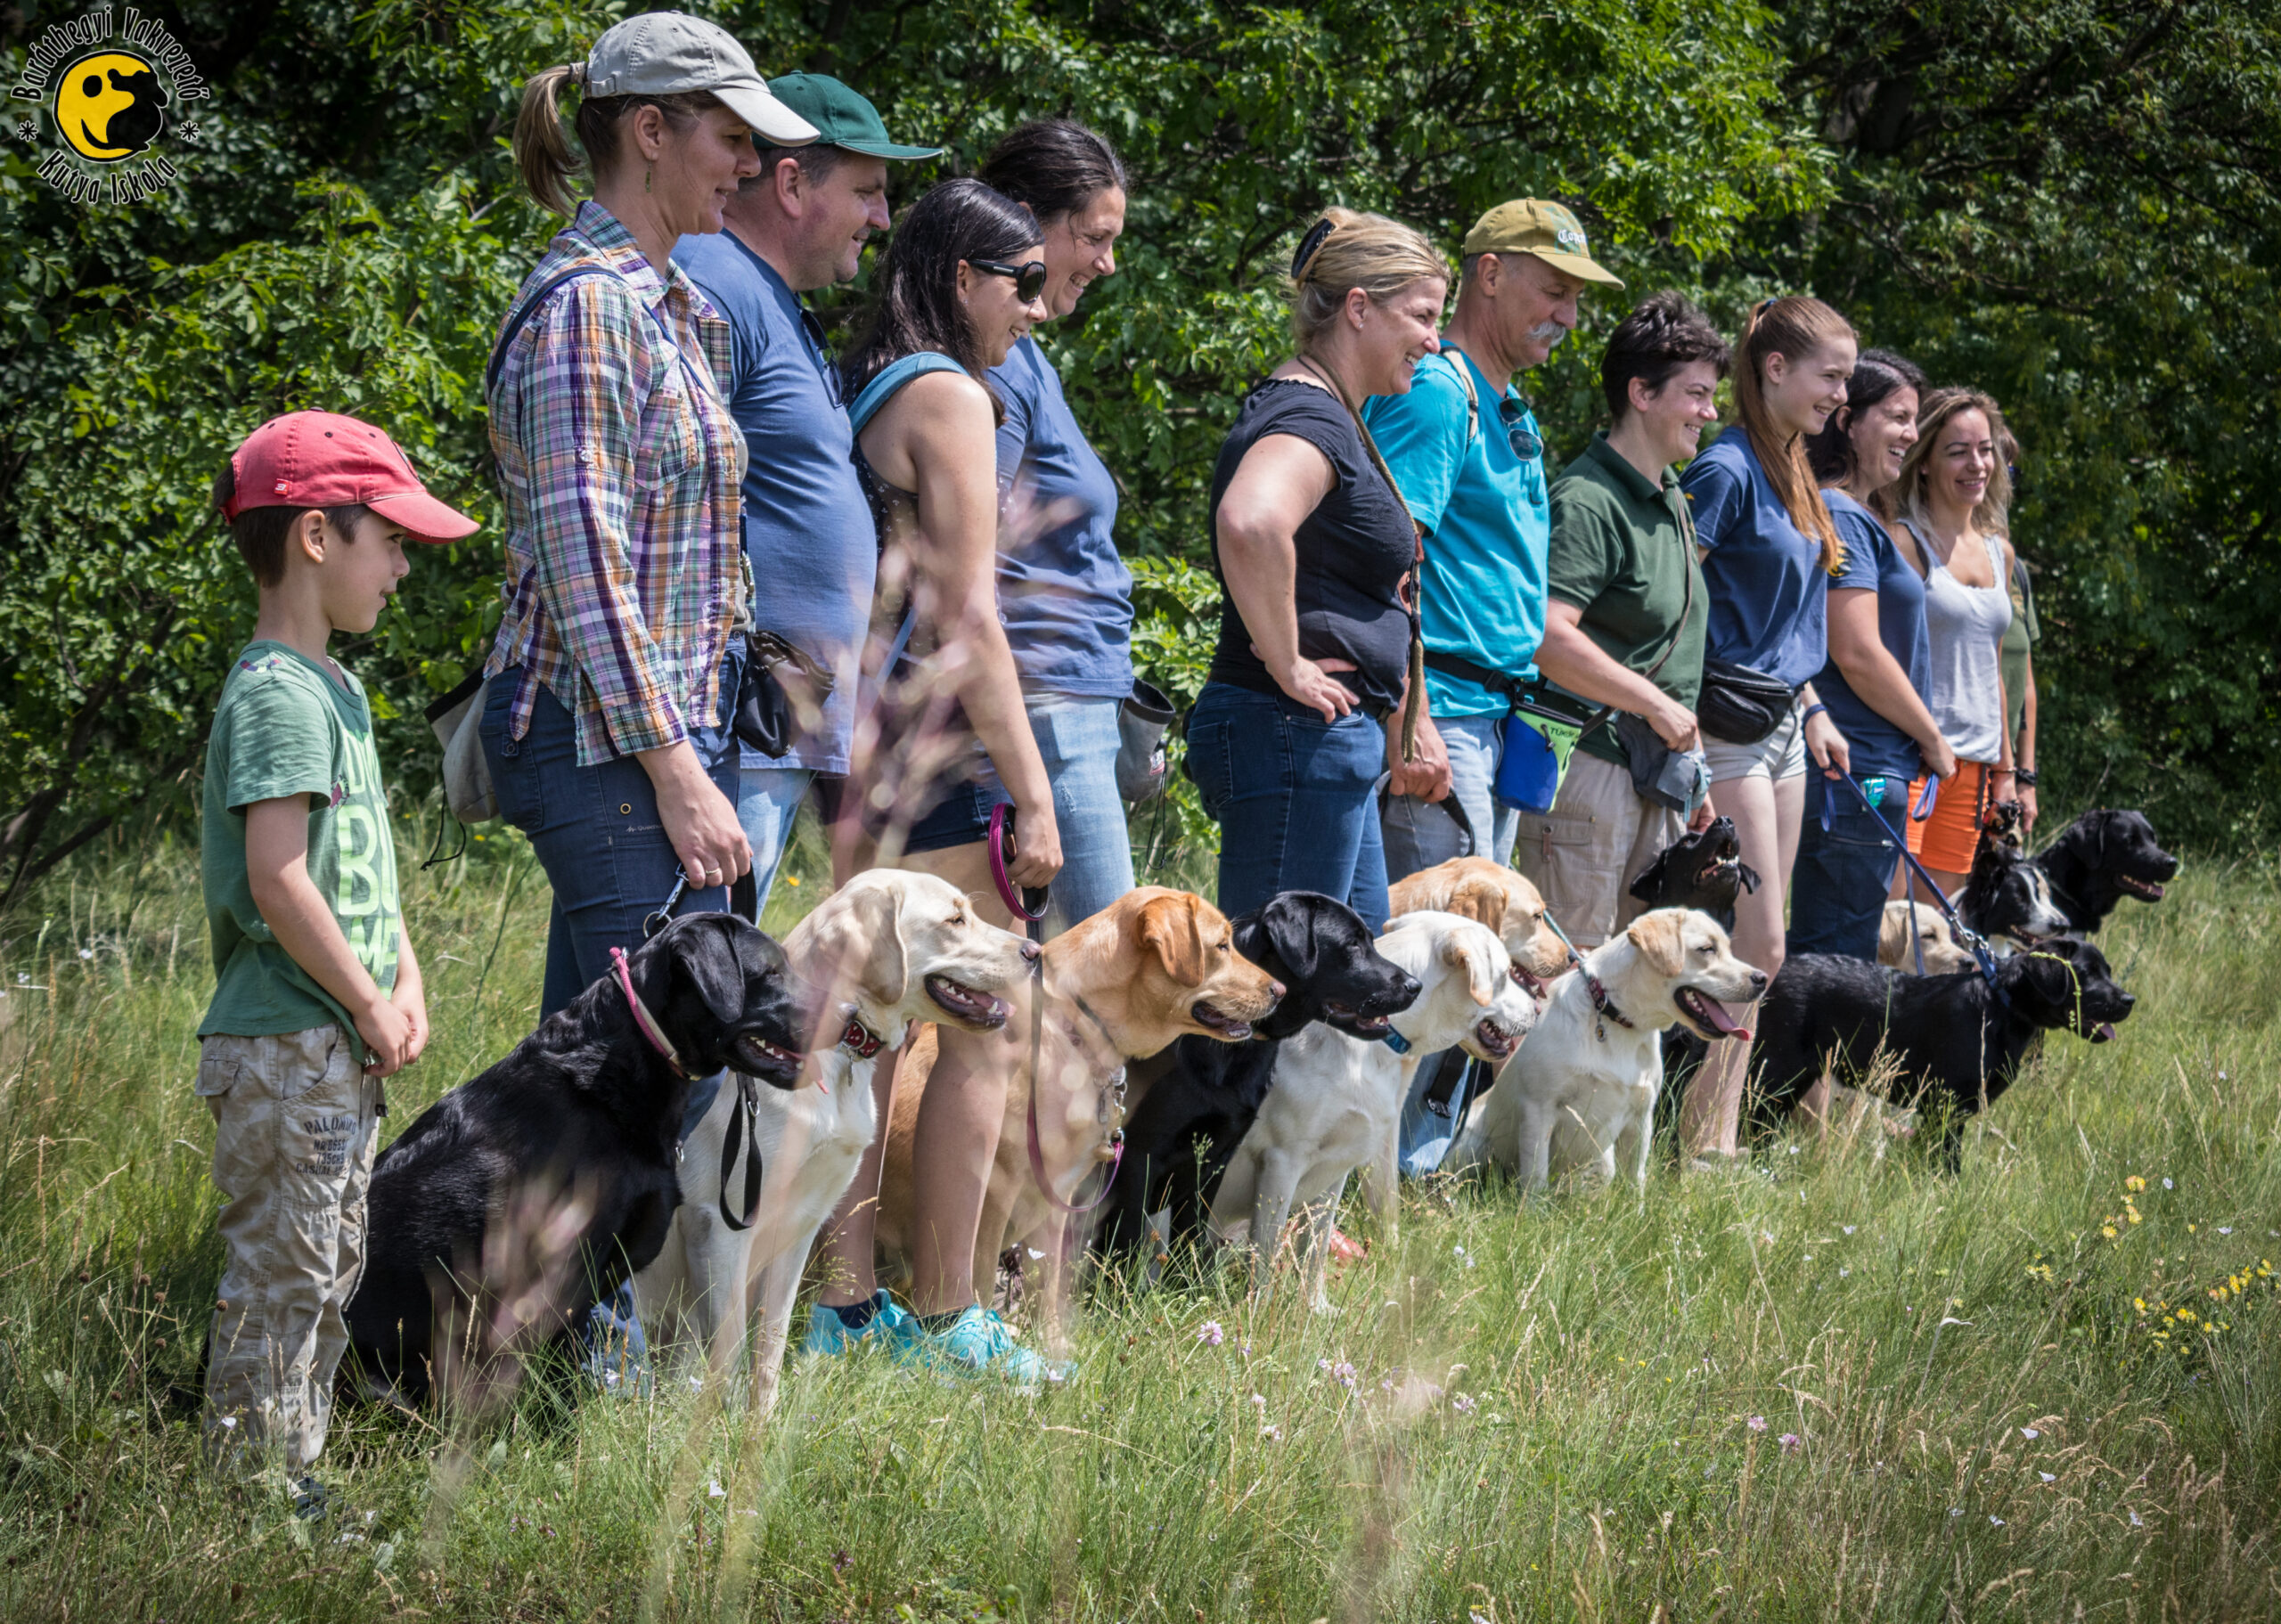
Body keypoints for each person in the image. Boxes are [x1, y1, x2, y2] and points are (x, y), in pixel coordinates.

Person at [484, 13, 816, 1375]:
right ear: (649, 131)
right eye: (732, 137)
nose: (747, 165)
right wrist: (679, 766)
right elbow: (586, 565)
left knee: (588, 1085)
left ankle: (523, 1352)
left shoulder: (672, 302)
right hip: (609, 745)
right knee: (646, 1082)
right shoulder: (587, 311)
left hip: (651, 741)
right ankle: (586, 1369)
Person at [803, 178, 1062, 1381]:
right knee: (982, 1024)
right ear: (964, 280)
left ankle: (845, 1307)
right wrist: (1036, 786)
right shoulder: (953, 391)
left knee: (867, 1026)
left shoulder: (875, 383)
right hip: (944, 745)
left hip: (866, 744)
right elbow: (970, 610)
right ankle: (950, 1317)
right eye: (1028, 283)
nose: (1040, 310)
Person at [198, 412, 475, 1499]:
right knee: (285, 1280)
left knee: (326, 1272)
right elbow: (279, 875)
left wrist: (401, 977)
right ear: (317, 536)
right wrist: (365, 1000)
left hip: (334, 1044)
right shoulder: (274, 693)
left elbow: (361, 868)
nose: (403, 568)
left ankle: (290, 1477)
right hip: (285, 1044)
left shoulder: (337, 689)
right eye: (391, 541)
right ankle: (257, 1499)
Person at [1361, 199, 1623, 1175]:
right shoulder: (1438, 391)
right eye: (1551, 287)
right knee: (1439, 958)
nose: (1564, 313)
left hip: (1500, 718)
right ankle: (1372, 1168)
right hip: (1447, 717)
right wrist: (1412, 709)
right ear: (1488, 274)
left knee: (1484, 963)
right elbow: (1395, 555)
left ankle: (1417, 1164)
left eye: (1576, 298)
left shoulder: (1509, 407)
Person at [673, 72, 943, 909]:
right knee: (684, 991)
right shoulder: (711, 280)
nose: (882, 218)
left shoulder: (771, 298)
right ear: (791, 183)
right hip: (731, 727)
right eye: (865, 190)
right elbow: (674, 496)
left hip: (771, 730)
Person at [1187, 208, 1451, 931]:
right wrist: (1288, 663)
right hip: (1294, 735)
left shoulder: (1334, 410)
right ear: (1358, 308)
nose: (1435, 340)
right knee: (1276, 994)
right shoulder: (1314, 417)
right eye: (1423, 315)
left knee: (1345, 989)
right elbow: (1251, 519)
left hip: (1320, 745)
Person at [1675, 296, 1858, 1164]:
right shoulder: (1726, 467)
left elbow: (1795, 618)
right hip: (1730, 725)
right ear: (1775, 369)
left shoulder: (1795, 466)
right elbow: (1678, 592)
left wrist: (1816, 708)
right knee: (1762, 940)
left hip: (1788, 723)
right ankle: (1703, 1142)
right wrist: (1674, 713)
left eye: (1847, 378)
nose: (1841, 395)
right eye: (1830, 375)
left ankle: (1718, 1127)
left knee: (1766, 947)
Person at [1516, 292, 1724, 944]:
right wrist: (1657, 708)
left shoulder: (1672, 495)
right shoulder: (1587, 500)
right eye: (1695, 394)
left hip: (1655, 780)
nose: (1710, 412)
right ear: (1641, 392)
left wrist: (1696, 780)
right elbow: (1549, 636)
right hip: (1586, 774)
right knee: (1566, 981)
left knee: (1637, 989)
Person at [977, 119, 1139, 934]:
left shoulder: (1027, 355)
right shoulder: (998, 362)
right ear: (1020, 215)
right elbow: (967, 556)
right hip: (1045, 705)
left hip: (1071, 699)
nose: (1108, 263)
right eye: (1093, 237)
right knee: (1110, 983)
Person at [1787, 348, 1958, 962]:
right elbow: (1856, 649)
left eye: (1915, 421)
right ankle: (1813, 1064)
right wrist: (1933, 737)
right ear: (1847, 421)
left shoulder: (1862, 515)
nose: (1912, 434)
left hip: (1868, 769)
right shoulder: (1841, 513)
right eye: (1898, 416)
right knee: (1836, 958)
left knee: (1842, 951)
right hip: (1856, 771)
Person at [1891, 387, 2021, 897]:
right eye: (1958, 451)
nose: (1977, 464)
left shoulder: (1999, 552)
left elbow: (1991, 669)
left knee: (1940, 934)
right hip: (1915, 758)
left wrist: (2006, 770)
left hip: (1975, 768)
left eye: (1985, 449)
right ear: (1923, 462)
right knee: (1894, 926)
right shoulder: (1902, 542)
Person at [1997, 431, 2041, 833]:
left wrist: (2026, 777)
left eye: (2008, 466)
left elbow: (2023, 681)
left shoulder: (2016, 569)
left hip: (2006, 777)